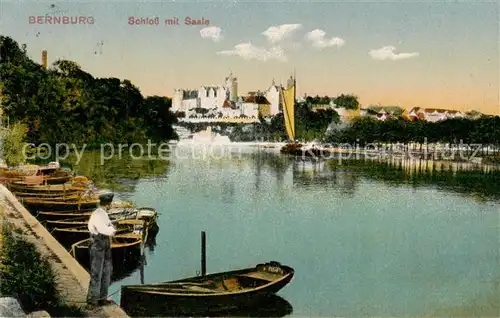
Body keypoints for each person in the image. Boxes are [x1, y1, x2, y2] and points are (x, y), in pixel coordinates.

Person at [86, 192, 116, 306]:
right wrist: (112, 230)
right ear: (107, 204)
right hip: (98, 245)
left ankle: (103, 298)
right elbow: (104, 229)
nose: (111, 206)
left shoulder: (103, 214)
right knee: (96, 273)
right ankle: (92, 301)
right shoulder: (97, 215)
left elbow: (109, 225)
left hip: (106, 245)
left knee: (107, 271)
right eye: (110, 204)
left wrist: (111, 227)